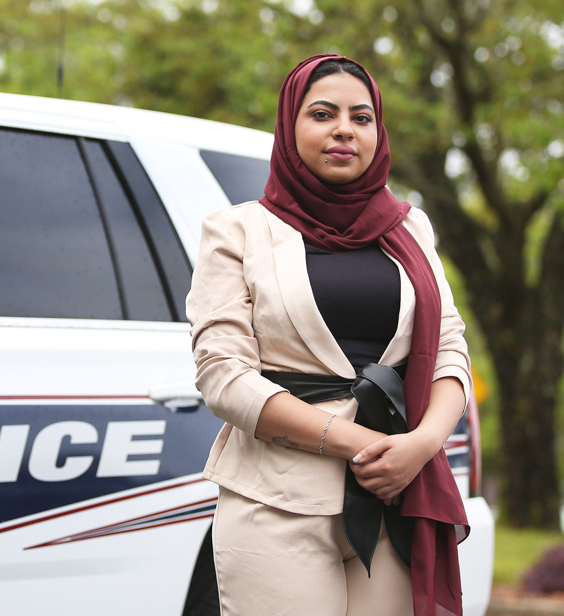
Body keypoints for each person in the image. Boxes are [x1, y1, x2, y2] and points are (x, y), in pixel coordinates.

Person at [185, 54, 472, 616]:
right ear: (290, 128)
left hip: (391, 494)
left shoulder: (409, 227)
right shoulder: (237, 230)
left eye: (361, 117)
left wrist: (420, 446)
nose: (344, 128)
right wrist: (356, 444)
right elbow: (222, 374)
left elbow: (447, 349)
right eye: (323, 113)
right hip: (275, 498)